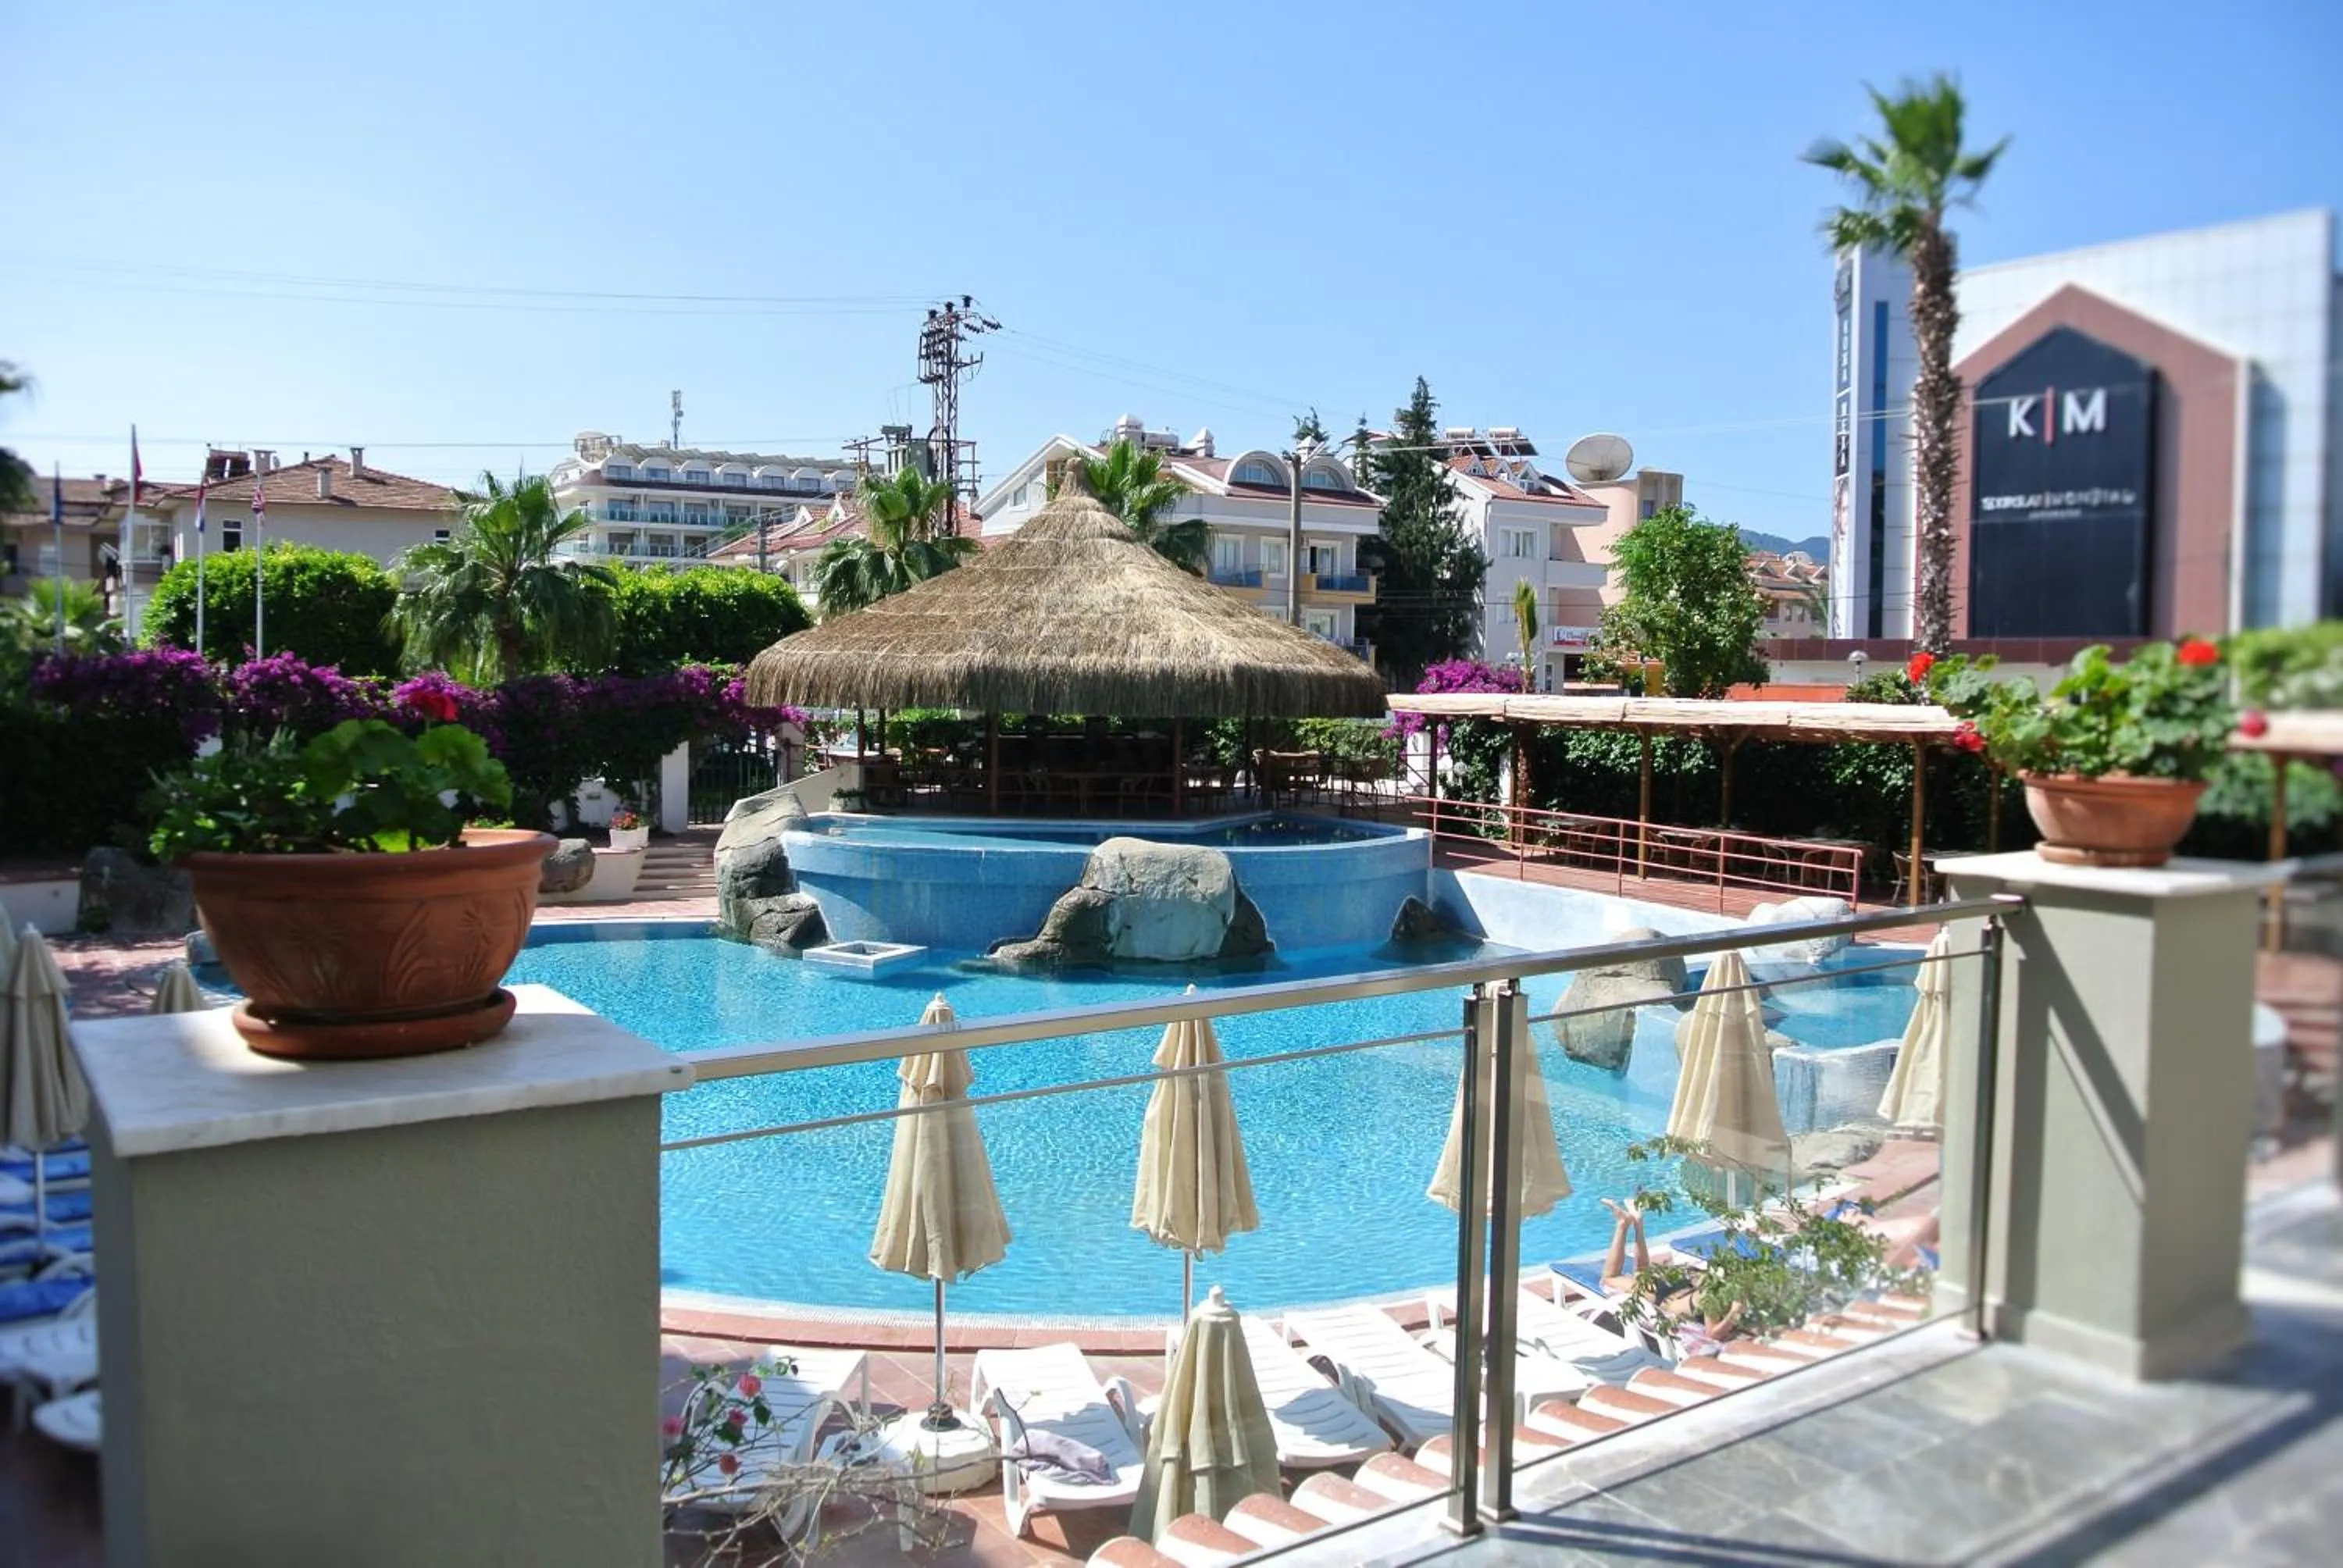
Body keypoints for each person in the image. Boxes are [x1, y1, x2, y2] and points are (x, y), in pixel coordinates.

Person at [1599, 1198, 1746, 1353]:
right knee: (1610, 1278)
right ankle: (1623, 1223)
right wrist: (1735, 1312)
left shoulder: (1716, 1286)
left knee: (1641, 1271)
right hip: (1666, 1295)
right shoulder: (1715, 1296)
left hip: (1678, 1287)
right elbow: (1713, 1334)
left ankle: (1637, 1223)